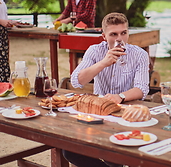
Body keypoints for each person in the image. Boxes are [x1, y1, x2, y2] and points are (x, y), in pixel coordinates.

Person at [63, 12, 149, 167]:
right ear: (104, 36)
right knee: (69, 151)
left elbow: (142, 89)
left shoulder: (140, 54)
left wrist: (120, 96)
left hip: (126, 114)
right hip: (98, 113)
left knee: (114, 156)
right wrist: (103, 62)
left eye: (124, 33)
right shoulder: (94, 51)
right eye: (113, 34)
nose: (119, 39)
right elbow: (77, 81)